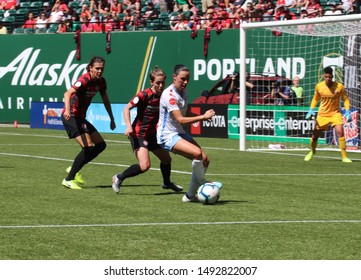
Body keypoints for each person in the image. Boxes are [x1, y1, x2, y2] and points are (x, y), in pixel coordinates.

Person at [156, 64, 222, 202]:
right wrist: (202, 117)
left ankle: (190, 196)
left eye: (188, 79)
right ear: (174, 77)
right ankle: (204, 182)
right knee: (197, 154)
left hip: (177, 133)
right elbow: (180, 119)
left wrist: (203, 117)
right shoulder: (169, 95)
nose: (185, 82)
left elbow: (183, 113)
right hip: (166, 136)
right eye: (182, 79)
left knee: (205, 159)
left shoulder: (183, 92)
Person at [112, 67, 183, 194]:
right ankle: (119, 178)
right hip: (139, 134)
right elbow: (126, 108)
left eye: (162, 83)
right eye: (158, 83)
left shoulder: (164, 96)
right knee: (145, 166)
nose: (161, 86)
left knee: (167, 160)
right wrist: (128, 126)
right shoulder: (143, 95)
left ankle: (167, 183)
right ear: (151, 82)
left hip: (153, 135)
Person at [61, 56, 116, 189]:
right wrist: (68, 110)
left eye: (102, 69)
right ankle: (69, 179)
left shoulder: (101, 82)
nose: (99, 71)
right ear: (90, 68)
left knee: (101, 145)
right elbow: (67, 94)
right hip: (72, 116)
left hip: (80, 117)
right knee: (88, 147)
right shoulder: (85, 79)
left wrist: (112, 118)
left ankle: (74, 168)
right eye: (97, 68)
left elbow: (106, 100)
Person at [304, 67, 352, 163]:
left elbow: (345, 99)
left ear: (332, 77)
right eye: (326, 77)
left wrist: (347, 111)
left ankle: (344, 157)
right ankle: (312, 151)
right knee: (315, 136)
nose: (328, 79)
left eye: (329, 77)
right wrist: (311, 109)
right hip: (322, 114)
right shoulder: (319, 86)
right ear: (323, 76)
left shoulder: (339, 86)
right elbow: (315, 98)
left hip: (335, 113)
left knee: (340, 132)